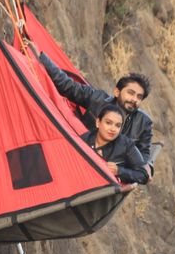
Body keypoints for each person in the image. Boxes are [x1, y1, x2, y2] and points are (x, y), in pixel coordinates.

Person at [25, 39, 155, 168]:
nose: (134, 99)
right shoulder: (97, 98)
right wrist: (40, 57)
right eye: (131, 93)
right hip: (80, 156)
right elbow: (67, 86)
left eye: (139, 97)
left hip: (110, 175)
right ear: (116, 92)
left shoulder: (144, 123)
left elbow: (144, 160)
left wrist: (123, 170)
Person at [85, 104, 148, 185]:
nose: (113, 129)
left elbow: (143, 175)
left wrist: (119, 171)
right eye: (108, 123)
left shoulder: (126, 145)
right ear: (98, 122)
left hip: (105, 192)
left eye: (118, 126)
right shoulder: (85, 139)